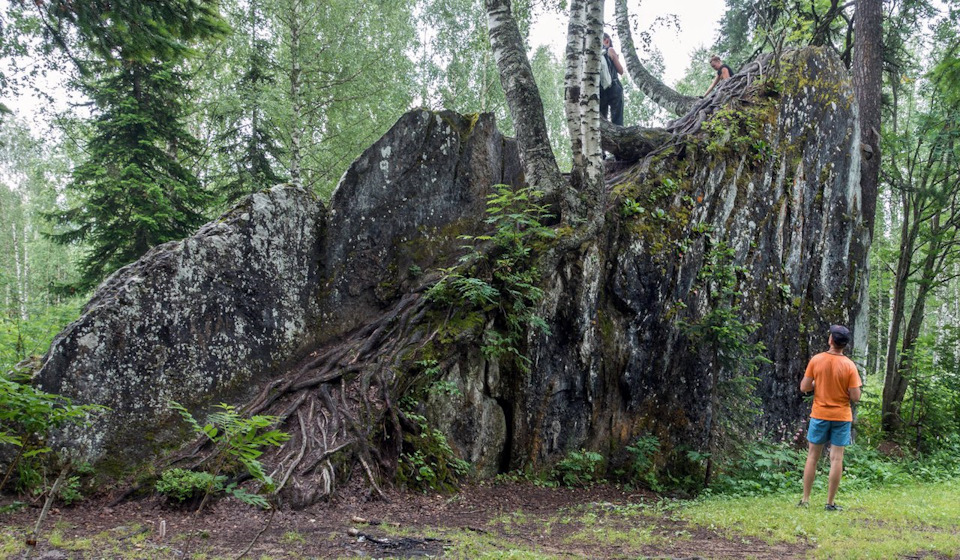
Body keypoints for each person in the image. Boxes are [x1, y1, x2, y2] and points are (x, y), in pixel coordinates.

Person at [798, 325, 862, 511]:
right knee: (836, 459)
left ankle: (805, 499)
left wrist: (818, 382)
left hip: (819, 414)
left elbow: (804, 387)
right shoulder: (849, 365)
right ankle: (830, 503)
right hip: (841, 416)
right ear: (845, 344)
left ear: (830, 340)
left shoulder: (817, 360)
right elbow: (855, 397)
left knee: (812, 457)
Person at [600, 32, 624, 126]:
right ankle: (619, 136)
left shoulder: (592, 55)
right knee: (617, 120)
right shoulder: (610, 49)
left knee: (602, 119)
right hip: (614, 86)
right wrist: (616, 58)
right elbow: (621, 70)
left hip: (601, 90)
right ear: (607, 40)